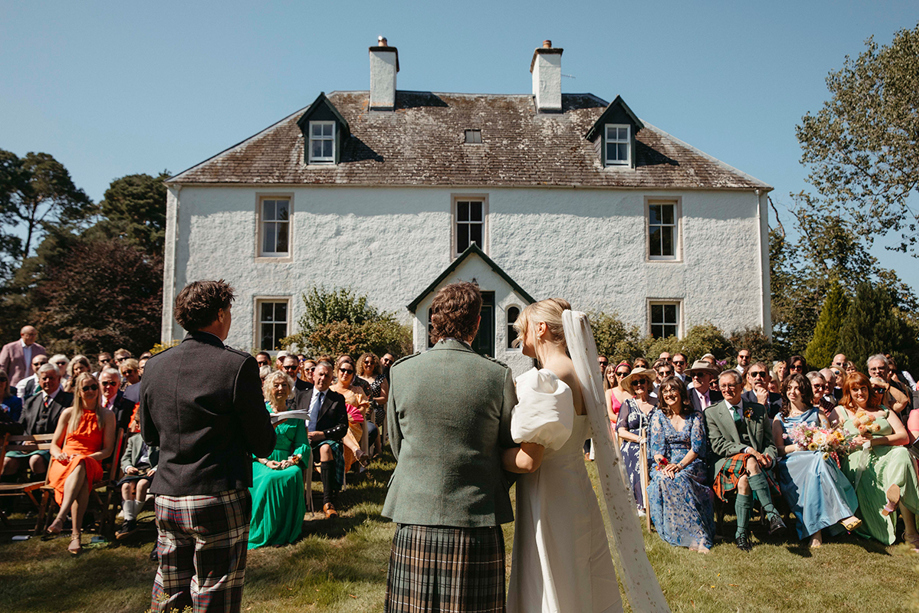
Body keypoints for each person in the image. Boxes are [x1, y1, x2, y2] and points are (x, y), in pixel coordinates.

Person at [502, 298, 667, 612]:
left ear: (541, 328)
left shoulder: (546, 380)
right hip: (576, 486)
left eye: (522, 328)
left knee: (552, 577)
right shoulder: (582, 376)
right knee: (578, 575)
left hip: (548, 493)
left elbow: (529, 459)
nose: (518, 337)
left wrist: (480, 455)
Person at [139, 279, 276, 612]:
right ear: (218, 314)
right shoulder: (236, 364)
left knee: (167, 593)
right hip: (217, 493)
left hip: (168, 494)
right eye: (229, 311)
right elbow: (262, 444)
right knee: (214, 594)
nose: (230, 317)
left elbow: (149, 435)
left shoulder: (155, 365)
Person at [383, 282, 517, 613]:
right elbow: (508, 449)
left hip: (415, 517)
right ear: (477, 323)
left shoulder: (401, 371)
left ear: (434, 323)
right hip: (475, 519)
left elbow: (395, 445)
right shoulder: (496, 375)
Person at [771, 373, 860, 548]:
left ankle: (815, 532)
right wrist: (799, 446)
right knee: (817, 462)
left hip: (817, 458)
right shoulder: (779, 418)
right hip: (792, 461)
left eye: (797, 388)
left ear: (804, 390)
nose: (793, 392)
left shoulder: (817, 413)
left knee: (817, 465)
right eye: (789, 388)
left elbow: (830, 438)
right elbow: (779, 450)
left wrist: (820, 441)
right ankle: (843, 514)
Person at [706, 369, 785, 551]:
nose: (727, 389)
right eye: (723, 386)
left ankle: (741, 533)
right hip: (726, 463)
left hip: (756, 465)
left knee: (744, 481)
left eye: (731, 385)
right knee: (749, 459)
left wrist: (769, 458)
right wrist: (748, 451)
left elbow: (769, 443)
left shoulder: (757, 409)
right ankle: (772, 513)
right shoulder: (711, 413)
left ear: (741, 386)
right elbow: (718, 445)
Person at [838, 372, 919, 549]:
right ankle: (909, 531)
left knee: (903, 454)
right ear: (848, 392)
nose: (860, 393)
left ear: (869, 389)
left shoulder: (883, 409)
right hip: (860, 459)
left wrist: (875, 440)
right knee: (902, 462)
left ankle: (906, 523)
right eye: (855, 390)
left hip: (887, 453)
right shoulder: (841, 411)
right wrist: (852, 444)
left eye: (863, 388)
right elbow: (834, 440)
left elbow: (904, 437)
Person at [45, 372, 117, 554]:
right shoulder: (68, 413)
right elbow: (54, 445)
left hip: (92, 460)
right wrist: (59, 454)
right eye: (86, 388)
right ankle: (75, 536)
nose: (91, 391)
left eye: (94, 387)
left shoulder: (107, 415)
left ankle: (61, 517)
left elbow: (108, 450)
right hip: (64, 463)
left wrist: (87, 458)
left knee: (82, 464)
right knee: (82, 478)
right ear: (78, 391)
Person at [648, 376, 715, 552]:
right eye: (665, 391)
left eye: (673, 390)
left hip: (691, 462)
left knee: (682, 478)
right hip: (664, 463)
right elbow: (656, 451)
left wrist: (679, 466)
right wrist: (666, 466)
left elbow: (697, 448)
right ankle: (681, 534)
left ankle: (698, 536)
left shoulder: (695, 416)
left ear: (681, 392)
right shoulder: (658, 417)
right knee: (664, 479)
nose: (669, 394)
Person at [248, 370, 309, 549]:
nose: (281, 389)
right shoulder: (259, 414)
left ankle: (286, 530)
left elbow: (302, 444)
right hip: (260, 460)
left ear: (290, 389)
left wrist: (293, 460)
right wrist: (265, 461)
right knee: (269, 478)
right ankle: (265, 529)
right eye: (276, 385)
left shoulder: (295, 417)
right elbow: (249, 443)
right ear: (268, 389)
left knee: (293, 474)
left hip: (286, 461)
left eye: (284, 385)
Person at [294, 362, 347, 518]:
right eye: (320, 374)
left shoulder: (337, 399)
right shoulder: (301, 395)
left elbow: (343, 427)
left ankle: (327, 502)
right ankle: (296, 498)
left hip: (323, 441)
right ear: (313, 375)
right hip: (301, 440)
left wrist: (322, 434)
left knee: (326, 449)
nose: (323, 378)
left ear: (331, 378)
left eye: (327, 375)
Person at [3, 364, 72, 483]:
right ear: (39, 380)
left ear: (59, 379)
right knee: (8, 461)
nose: (47, 381)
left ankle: (39, 498)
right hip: (27, 447)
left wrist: (45, 442)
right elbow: (20, 427)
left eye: (51, 378)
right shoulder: (30, 401)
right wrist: (24, 442)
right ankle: (9, 499)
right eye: (44, 378)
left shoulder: (70, 400)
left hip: (53, 448)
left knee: (36, 460)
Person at [617, 366, 657, 514]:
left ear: (648, 383)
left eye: (641, 381)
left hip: (656, 443)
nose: (639, 385)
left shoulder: (658, 403)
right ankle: (639, 503)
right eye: (635, 383)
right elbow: (621, 430)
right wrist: (640, 439)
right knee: (637, 457)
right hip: (634, 443)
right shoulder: (628, 404)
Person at [330, 357, 375, 468]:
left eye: (349, 371)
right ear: (337, 371)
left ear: (353, 374)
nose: (345, 373)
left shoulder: (357, 390)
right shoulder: (330, 389)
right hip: (331, 424)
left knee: (344, 427)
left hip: (352, 424)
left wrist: (350, 416)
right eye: (343, 370)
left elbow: (363, 409)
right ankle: (357, 451)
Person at [116, 433, 159, 540]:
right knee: (126, 486)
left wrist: (155, 469)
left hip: (151, 470)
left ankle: (129, 521)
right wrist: (128, 467)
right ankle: (130, 521)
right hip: (136, 470)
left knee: (142, 485)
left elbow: (164, 457)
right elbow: (125, 458)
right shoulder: (134, 439)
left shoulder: (159, 438)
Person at [357, 352, 389, 457]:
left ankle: (378, 449)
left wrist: (370, 400)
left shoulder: (381, 378)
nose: (369, 364)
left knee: (371, 418)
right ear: (362, 363)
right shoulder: (357, 379)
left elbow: (384, 398)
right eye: (366, 362)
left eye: (372, 362)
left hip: (376, 408)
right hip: (359, 408)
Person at [0, 325, 47, 389]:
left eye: (35, 335)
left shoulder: (40, 349)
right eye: (31, 334)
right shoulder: (9, 348)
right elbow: (2, 367)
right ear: (22, 334)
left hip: (33, 386)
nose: (33, 337)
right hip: (13, 385)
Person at [605, 361, 631, 426]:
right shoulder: (609, 392)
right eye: (619, 373)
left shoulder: (634, 394)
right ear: (616, 375)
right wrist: (624, 422)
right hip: (614, 428)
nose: (622, 376)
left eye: (625, 374)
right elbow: (610, 414)